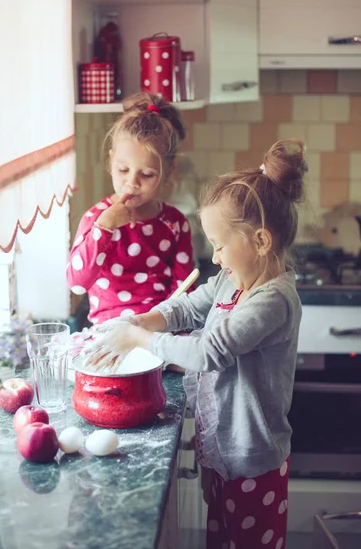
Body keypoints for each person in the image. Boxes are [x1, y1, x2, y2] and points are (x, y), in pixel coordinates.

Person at [89, 139, 308, 549]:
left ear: (261, 241)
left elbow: (209, 352)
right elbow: (189, 306)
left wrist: (139, 338)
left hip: (252, 460)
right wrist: (140, 319)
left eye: (221, 245)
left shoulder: (273, 300)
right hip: (223, 452)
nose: (216, 256)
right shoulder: (232, 279)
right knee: (220, 541)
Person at [66, 92, 194, 326]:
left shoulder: (175, 223)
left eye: (146, 174)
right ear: (111, 161)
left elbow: (183, 293)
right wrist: (104, 228)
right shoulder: (96, 219)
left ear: (169, 170)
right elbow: (77, 284)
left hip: (158, 334)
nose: (132, 183)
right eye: (123, 170)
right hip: (109, 335)